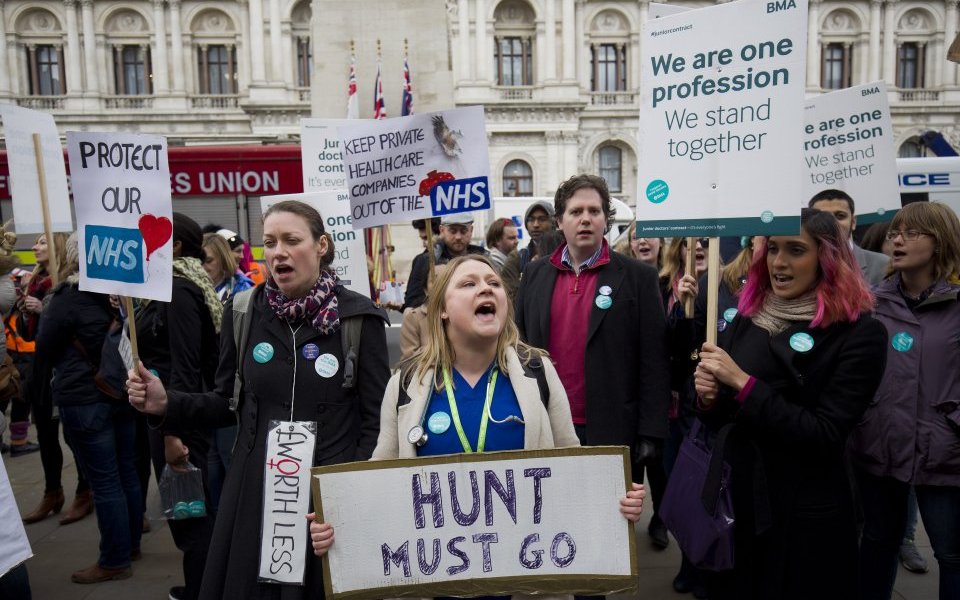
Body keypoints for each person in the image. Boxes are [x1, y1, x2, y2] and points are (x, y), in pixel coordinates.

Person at [308, 255, 647, 570]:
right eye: (468, 284)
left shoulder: (538, 372)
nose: (486, 288)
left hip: (522, 578)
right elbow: (379, 480)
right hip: (438, 579)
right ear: (442, 309)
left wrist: (613, 502)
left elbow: (573, 469)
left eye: (494, 283)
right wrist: (340, 524)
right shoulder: (404, 385)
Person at [127, 200, 390, 600]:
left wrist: (349, 492)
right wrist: (168, 404)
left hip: (326, 500)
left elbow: (377, 422)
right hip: (258, 494)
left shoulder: (358, 318)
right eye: (269, 242)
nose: (278, 251)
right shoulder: (245, 311)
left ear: (321, 245)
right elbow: (223, 402)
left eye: (291, 240)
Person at [693, 208, 887, 600]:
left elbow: (825, 433)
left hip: (805, 514)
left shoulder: (860, 334)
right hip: (738, 506)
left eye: (796, 250)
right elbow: (721, 415)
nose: (779, 262)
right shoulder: (749, 316)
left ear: (827, 258)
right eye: (774, 249)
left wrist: (745, 385)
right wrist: (707, 397)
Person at [515, 174, 671, 476]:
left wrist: (651, 432)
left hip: (614, 429)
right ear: (560, 221)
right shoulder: (533, 274)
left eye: (594, 211)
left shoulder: (638, 278)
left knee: (608, 520)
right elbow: (518, 348)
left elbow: (654, 360)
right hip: (547, 425)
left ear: (605, 220)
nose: (585, 219)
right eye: (576, 212)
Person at [848, 201, 960, 600]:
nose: (897, 240)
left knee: (951, 554)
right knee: (878, 542)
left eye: (912, 233)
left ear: (940, 241)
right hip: (881, 446)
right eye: (896, 232)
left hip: (945, 452)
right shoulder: (871, 303)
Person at [32, 234, 142, 584]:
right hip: (119, 393)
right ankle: (130, 545)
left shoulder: (66, 299)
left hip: (83, 398)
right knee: (127, 471)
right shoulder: (120, 296)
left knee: (105, 480)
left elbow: (44, 349)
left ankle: (113, 559)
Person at [136, 214, 222, 600]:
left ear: (173, 246)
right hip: (168, 417)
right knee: (187, 515)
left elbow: (186, 369)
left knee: (191, 517)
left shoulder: (178, 289)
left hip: (180, 424)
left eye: (145, 238)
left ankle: (202, 591)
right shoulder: (163, 288)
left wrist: (173, 435)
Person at [19, 232, 92, 526]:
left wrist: (45, 309)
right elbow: (29, 336)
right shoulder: (35, 283)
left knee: (73, 436)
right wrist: (28, 314)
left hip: (65, 370)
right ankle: (52, 492)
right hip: (41, 369)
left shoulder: (66, 286)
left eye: (42, 242)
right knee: (46, 436)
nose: (35, 247)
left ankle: (84, 491)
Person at [403, 213, 487, 310]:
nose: (458, 237)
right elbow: (412, 301)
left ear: (471, 230)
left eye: (463, 231)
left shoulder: (483, 258)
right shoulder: (425, 261)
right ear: (442, 230)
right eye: (453, 231)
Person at [809, 189, 890, 285]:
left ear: (853, 222)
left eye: (840, 216)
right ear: (811, 223)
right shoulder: (802, 265)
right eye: (823, 217)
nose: (833, 223)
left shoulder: (883, 264)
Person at [501, 200, 556, 301]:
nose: (535, 225)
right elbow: (509, 297)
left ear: (554, 223)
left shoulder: (568, 255)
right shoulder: (517, 257)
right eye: (531, 220)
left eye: (542, 219)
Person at [203, 233, 254, 303]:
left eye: (208, 261)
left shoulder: (241, 288)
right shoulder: (191, 286)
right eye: (198, 260)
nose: (201, 266)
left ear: (223, 259)